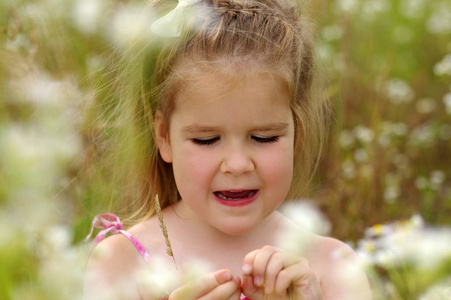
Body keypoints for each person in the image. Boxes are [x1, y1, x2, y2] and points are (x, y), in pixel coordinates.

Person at [84, 0, 372, 299]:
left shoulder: (332, 268)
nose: (237, 165)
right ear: (163, 137)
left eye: (264, 137)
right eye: (206, 140)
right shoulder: (121, 263)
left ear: (297, 132)